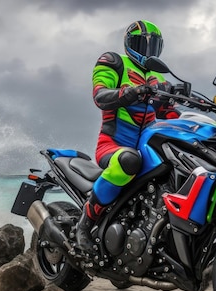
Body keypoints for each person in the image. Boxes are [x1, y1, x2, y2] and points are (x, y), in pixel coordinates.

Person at [75, 20, 179, 253]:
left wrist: (182, 112)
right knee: (129, 160)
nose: (146, 51)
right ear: (129, 44)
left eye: (152, 47)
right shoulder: (113, 62)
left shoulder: (159, 78)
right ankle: (85, 222)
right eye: (141, 44)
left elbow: (167, 114)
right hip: (113, 145)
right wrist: (129, 93)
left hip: (147, 148)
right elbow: (100, 95)